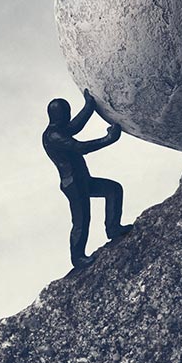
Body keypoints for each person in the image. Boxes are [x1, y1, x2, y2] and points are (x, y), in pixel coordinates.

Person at [42, 89, 132, 268]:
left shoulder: (60, 128)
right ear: (59, 115)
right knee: (81, 220)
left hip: (83, 180)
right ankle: (78, 258)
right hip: (73, 184)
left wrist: (89, 106)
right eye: (66, 114)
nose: (69, 116)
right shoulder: (53, 135)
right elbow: (80, 147)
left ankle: (113, 228)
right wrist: (108, 139)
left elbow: (76, 125)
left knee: (113, 189)